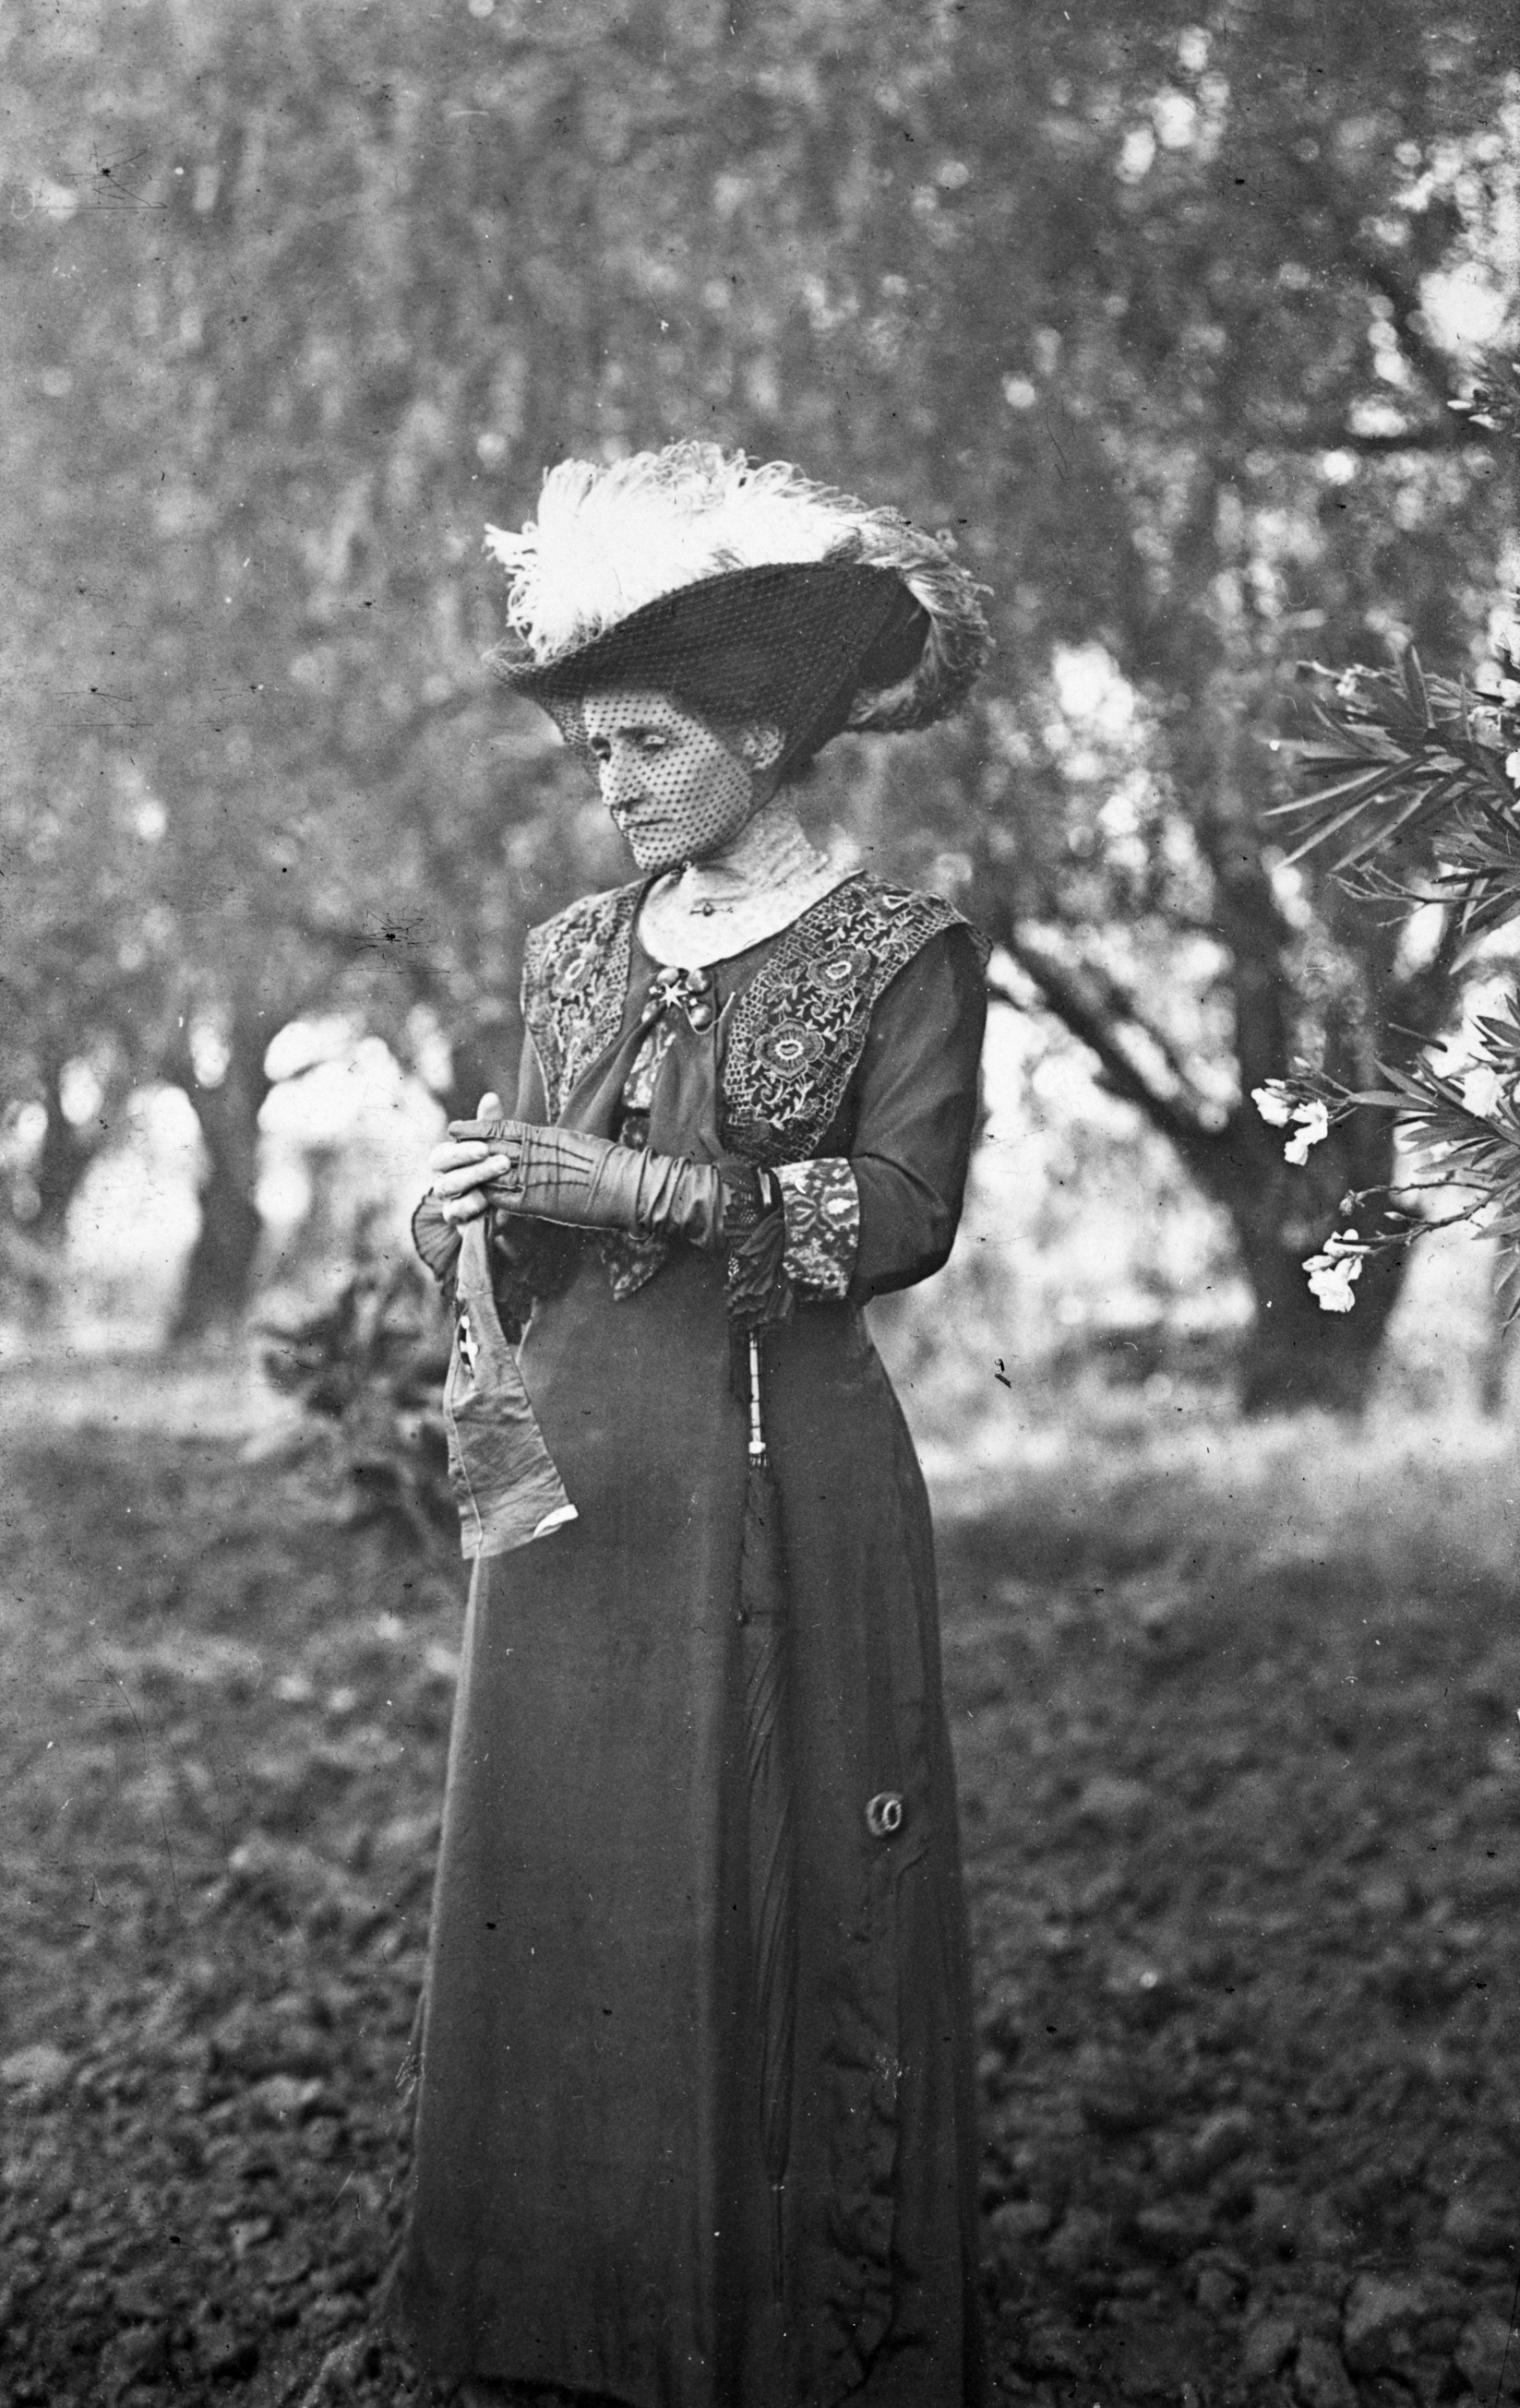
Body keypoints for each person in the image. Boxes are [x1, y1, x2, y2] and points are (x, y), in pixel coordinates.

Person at [396, 442, 992, 2408]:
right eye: (594, 753)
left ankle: (757, 2335)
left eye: (648, 743)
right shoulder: (575, 949)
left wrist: (652, 1185)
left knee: (765, 1854)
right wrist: (460, 1213)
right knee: (567, 1871)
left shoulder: (902, 951)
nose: (616, 786)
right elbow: (536, 1224)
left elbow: (903, 1215)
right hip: (580, 1483)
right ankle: (555, 2318)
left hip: (779, 1471)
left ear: (761, 733)